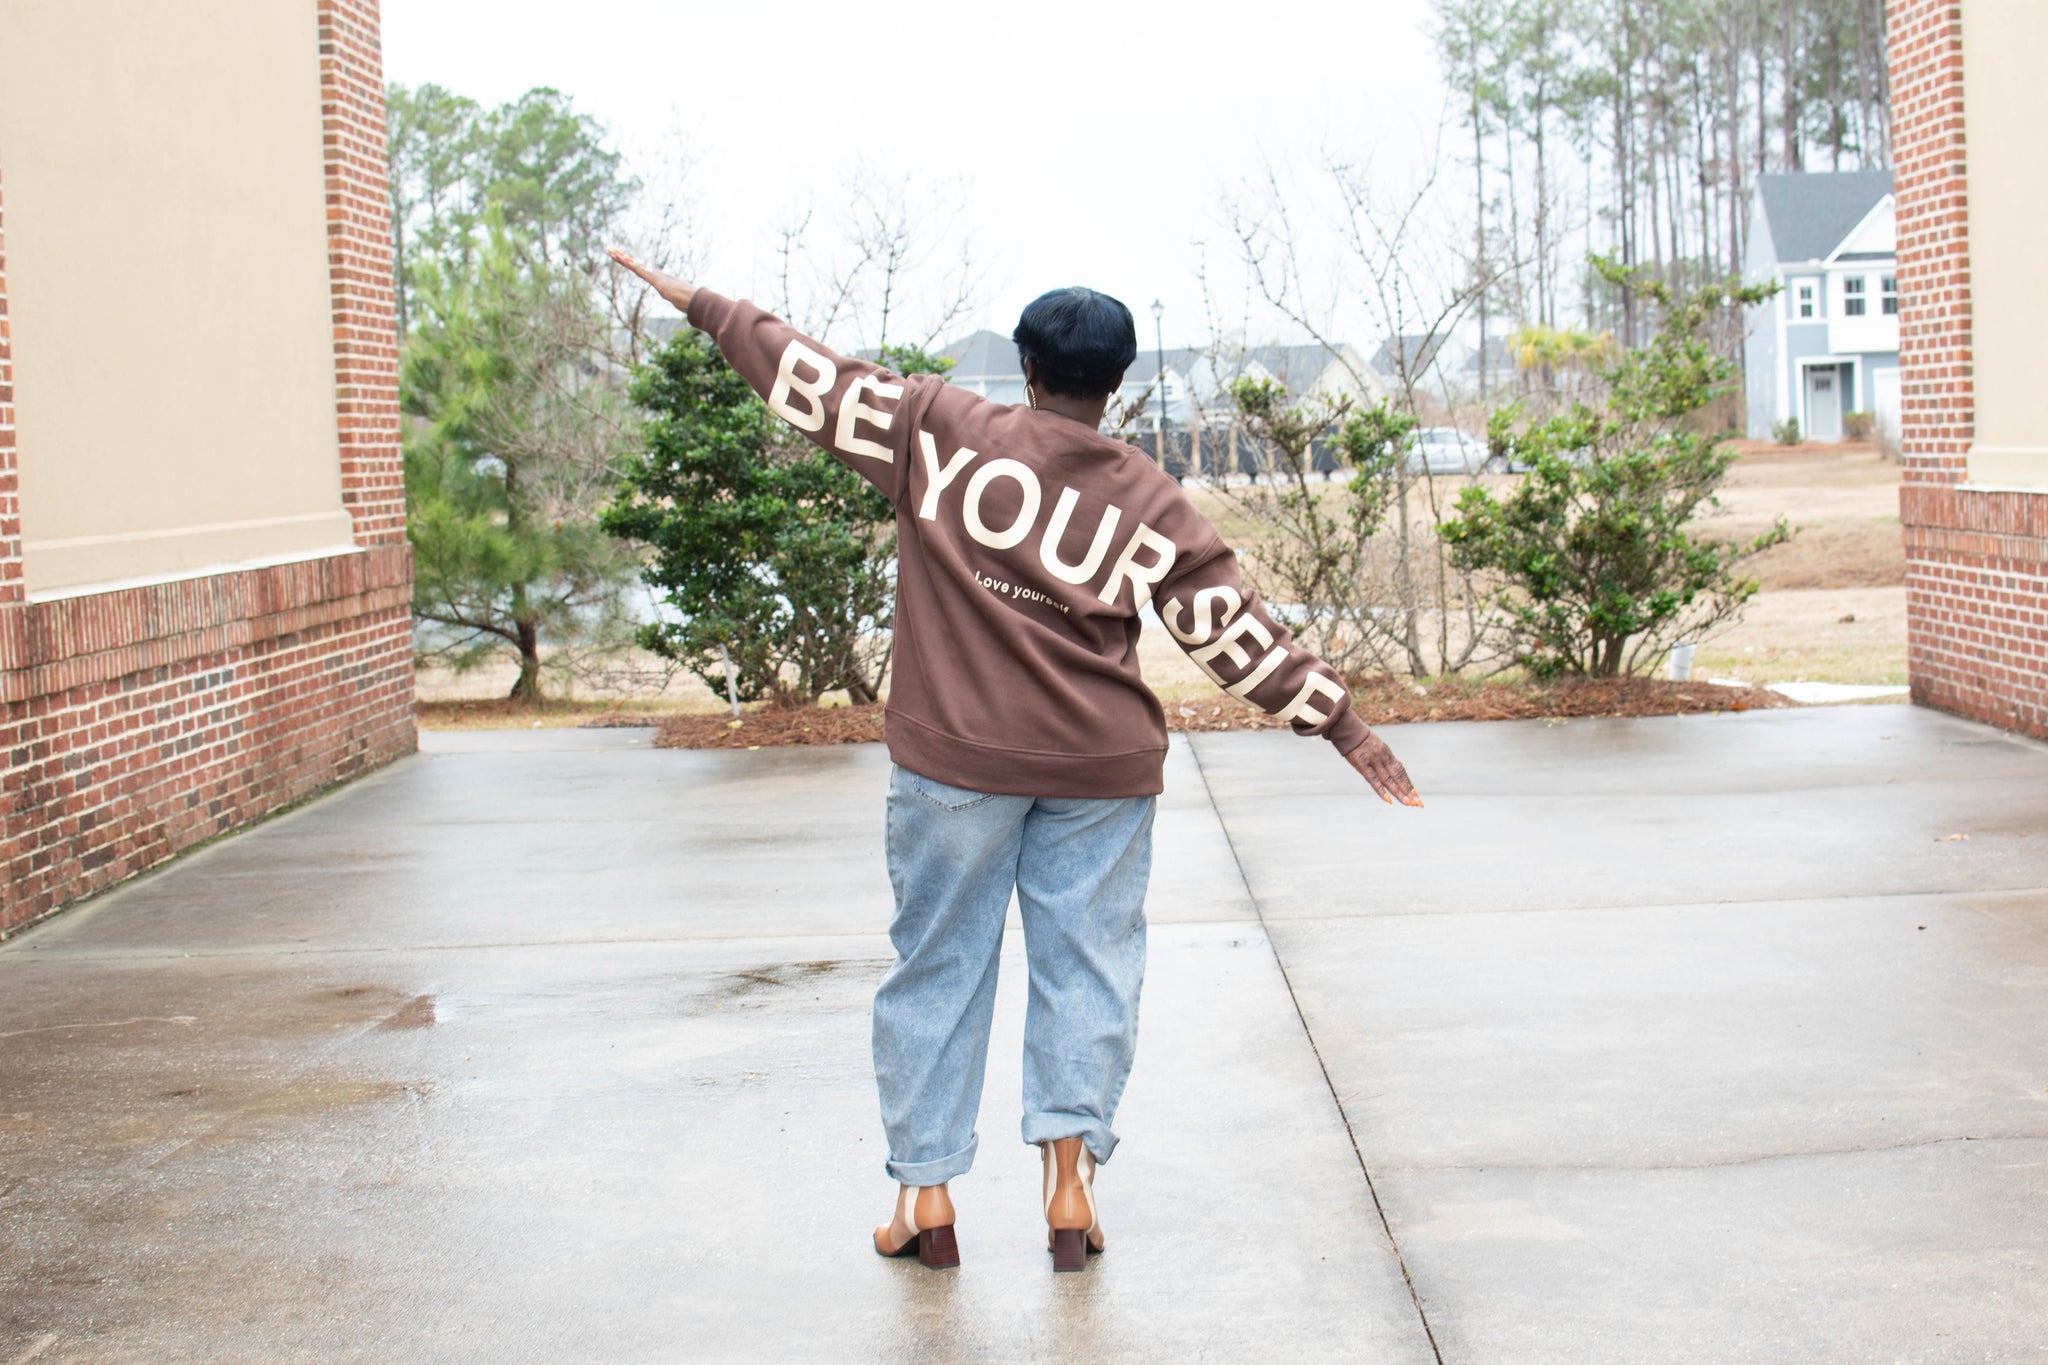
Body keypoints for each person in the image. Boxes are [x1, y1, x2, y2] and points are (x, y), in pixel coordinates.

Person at [609, 250, 1422, 1273]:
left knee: (937, 968)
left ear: (1026, 369)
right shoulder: (1151, 498)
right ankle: (1069, 1189)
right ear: (1113, 384)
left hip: (956, 763)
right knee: (1085, 966)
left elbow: (806, 378)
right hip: (1100, 769)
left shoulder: (935, 428)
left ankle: (925, 1199)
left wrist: (707, 306)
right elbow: (1233, 637)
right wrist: (1341, 725)